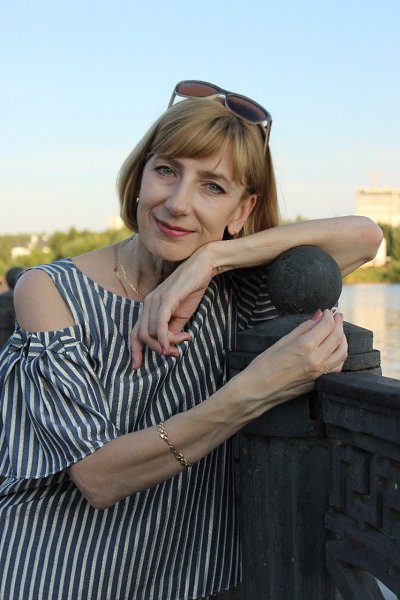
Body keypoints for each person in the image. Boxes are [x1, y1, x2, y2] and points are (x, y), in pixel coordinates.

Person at [0, 80, 382, 600]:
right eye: (166, 171)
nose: (178, 203)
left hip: (186, 583)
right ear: (140, 177)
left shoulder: (238, 290)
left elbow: (365, 237)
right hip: (56, 573)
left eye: (213, 187)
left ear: (242, 212)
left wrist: (211, 259)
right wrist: (256, 390)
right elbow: (98, 477)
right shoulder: (50, 290)